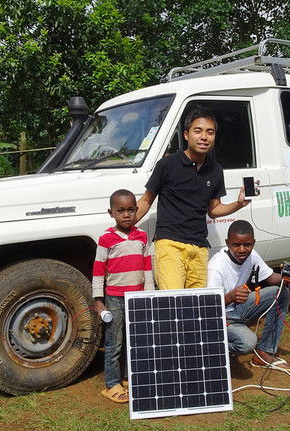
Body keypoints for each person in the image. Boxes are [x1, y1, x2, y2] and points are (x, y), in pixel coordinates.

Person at [136, 106, 249, 290]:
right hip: (170, 245)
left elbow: (213, 210)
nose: (204, 137)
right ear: (187, 135)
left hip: (199, 249)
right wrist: (123, 226)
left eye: (209, 132)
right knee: (174, 302)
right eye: (198, 131)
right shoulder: (167, 164)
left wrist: (238, 203)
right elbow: (146, 201)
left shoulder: (216, 170)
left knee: (195, 307)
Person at [208, 220, 290, 371]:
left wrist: (288, 277)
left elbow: (271, 278)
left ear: (253, 243)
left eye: (247, 245)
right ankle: (206, 349)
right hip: (220, 317)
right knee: (247, 343)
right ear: (227, 243)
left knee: (281, 293)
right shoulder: (216, 266)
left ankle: (264, 353)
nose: (242, 250)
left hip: (238, 309)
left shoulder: (252, 256)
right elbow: (208, 308)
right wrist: (230, 297)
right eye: (236, 245)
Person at [93, 189, 154, 403]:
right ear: (111, 213)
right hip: (115, 299)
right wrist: (98, 300)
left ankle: (129, 377)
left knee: (134, 340)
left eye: (130, 210)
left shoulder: (142, 236)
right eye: (121, 211)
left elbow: (147, 268)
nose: (126, 215)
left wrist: (149, 295)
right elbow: (99, 271)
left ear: (137, 211)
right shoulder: (107, 239)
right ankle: (111, 384)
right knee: (114, 342)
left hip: (137, 299)